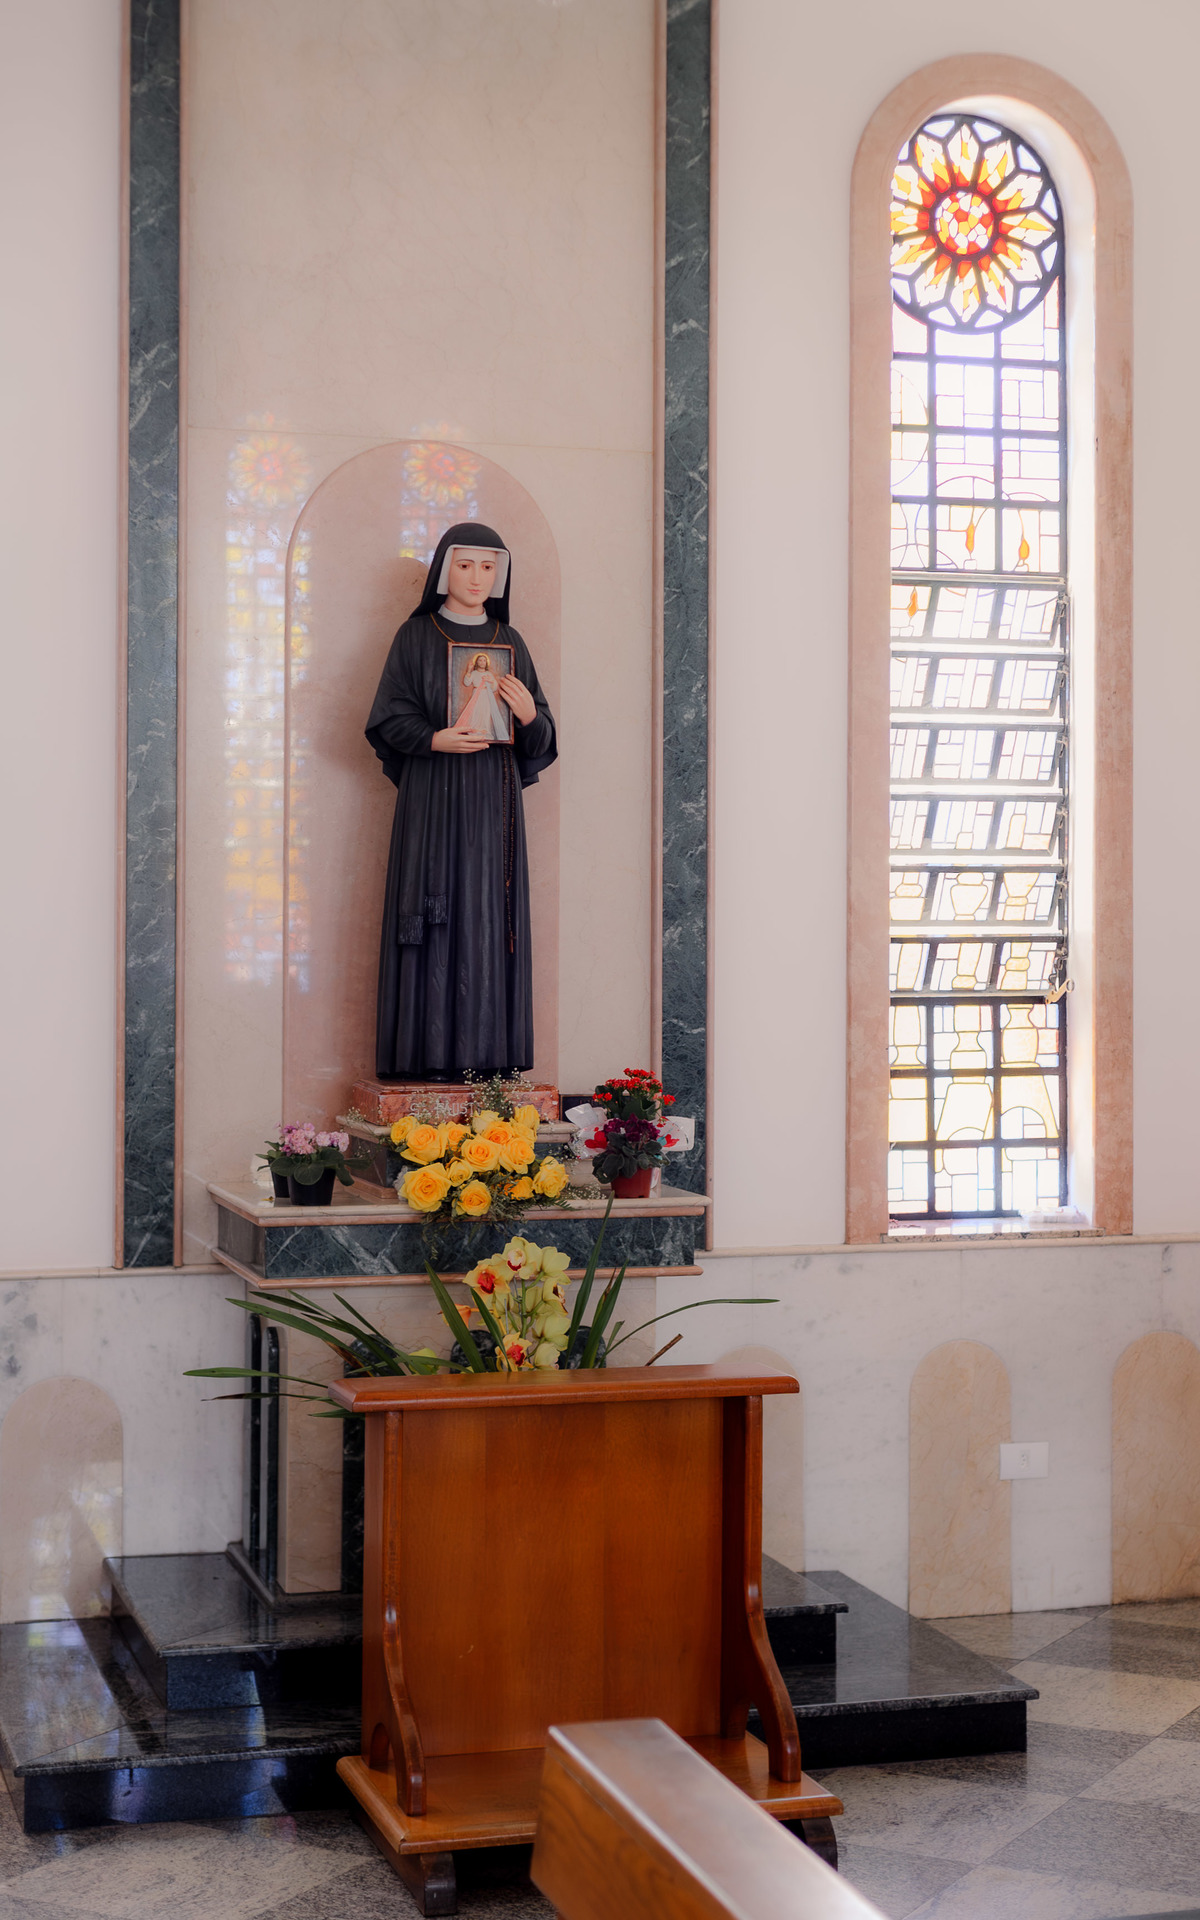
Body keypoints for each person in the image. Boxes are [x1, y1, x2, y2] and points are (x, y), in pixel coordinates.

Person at [365, 522, 557, 1080]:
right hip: (434, 799)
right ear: (444, 570)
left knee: (490, 915)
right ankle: (422, 1057)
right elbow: (387, 717)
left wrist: (528, 715)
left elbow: (542, 736)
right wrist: (433, 739)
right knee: (435, 913)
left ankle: (490, 1057)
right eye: (465, 565)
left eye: (488, 567)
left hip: (494, 805)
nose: (477, 578)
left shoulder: (510, 640)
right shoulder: (414, 636)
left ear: (500, 575)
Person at [457, 650, 509, 741]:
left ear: (486, 663)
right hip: (476, 695)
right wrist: (468, 670)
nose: (482, 662)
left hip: (486, 695)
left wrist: (490, 681)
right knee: (476, 712)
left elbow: (494, 687)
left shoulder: (488, 674)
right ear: (477, 662)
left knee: (485, 713)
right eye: (480, 660)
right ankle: (474, 731)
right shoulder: (474, 673)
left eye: (484, 660)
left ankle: (485, 731)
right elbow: (466, 683)